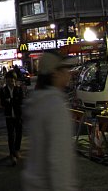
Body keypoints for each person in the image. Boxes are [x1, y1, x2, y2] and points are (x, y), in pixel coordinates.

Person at [22, 51, 78, 191]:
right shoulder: (56, 106)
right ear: (55, 74)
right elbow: (59, 159)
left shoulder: (37, 102)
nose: (68, 74)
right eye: (65, 70)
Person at [0, 71, 23, 166]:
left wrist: (10, 100)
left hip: (18, 115)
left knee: (19, 133)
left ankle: (17, 150)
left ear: (15, 80)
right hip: (9, 115)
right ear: (6, 80)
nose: (10, 82)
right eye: (8, 80)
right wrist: (12, 100)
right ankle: (12, 153)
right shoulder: (3, 90)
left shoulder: (19, 89)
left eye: (12, 80)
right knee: (11, 135)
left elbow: (21, 101)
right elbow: (2, 103)